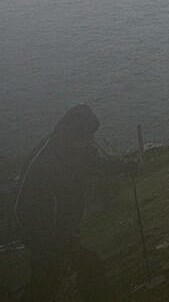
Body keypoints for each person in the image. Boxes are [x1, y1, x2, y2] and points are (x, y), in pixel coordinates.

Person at [14, 104, 135, 301]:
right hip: (45, 237)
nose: (90, 140)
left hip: (64, 233)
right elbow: (22, 206)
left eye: (91, 136)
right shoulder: (46, 161)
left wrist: (123, 166)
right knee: (48, 283)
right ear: (74, 134)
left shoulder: (76, 148)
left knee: (83, 270)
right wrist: (48, 239)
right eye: (87, 136)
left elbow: (97, 164)